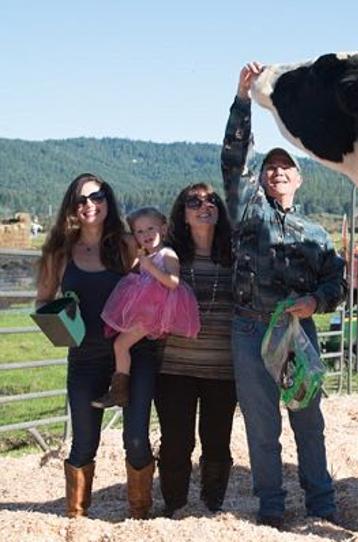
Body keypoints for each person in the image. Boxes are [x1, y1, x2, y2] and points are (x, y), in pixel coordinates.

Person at [222, 62, 346, 529]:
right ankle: (271, 507)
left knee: (308, 423)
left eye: (285, 167)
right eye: (270, 166)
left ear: (299, 179)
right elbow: (235, 158)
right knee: (261, 427)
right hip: (250, 327)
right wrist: (243, 99)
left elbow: (337, 283)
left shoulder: (315, 233)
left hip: (298, 331)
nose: (276, 171)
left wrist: (316, 302)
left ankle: (322, 504)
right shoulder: (247, 212)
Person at [35, 174, 159, 519]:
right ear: (71, 207)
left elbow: (155, 283)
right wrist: (60, 326)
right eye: (81, 199)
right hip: (85, 358)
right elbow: (43, 301)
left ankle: (139, 515)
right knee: (83, 444)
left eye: (97, 196)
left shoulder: (127, 244)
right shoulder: (59, 254)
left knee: (136, 440)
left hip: (134, 356)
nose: (90, 204)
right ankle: (76, 518)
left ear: (109, 199)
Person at [154, 183, 238, 517]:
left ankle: (211, 504)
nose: (204, 205)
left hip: (223, 367)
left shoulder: (236, 256)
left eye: (211, 200)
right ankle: (175, 505)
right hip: (174, 366)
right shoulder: (169, 257)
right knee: (176, 442)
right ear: (182, 214)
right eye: (194, 202)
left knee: (217, 441)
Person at [93, 207, 200, 408]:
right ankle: (119, 388)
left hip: (153, 314)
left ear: (164, 229)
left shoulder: (167, 254)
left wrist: (150, 268)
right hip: (146, 312)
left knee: (120, 345)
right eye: (139, 232)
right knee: (119, 343)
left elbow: (173, 282)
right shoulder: (146, 256)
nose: (146, 235)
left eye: (151, 229)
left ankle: (118, 392)